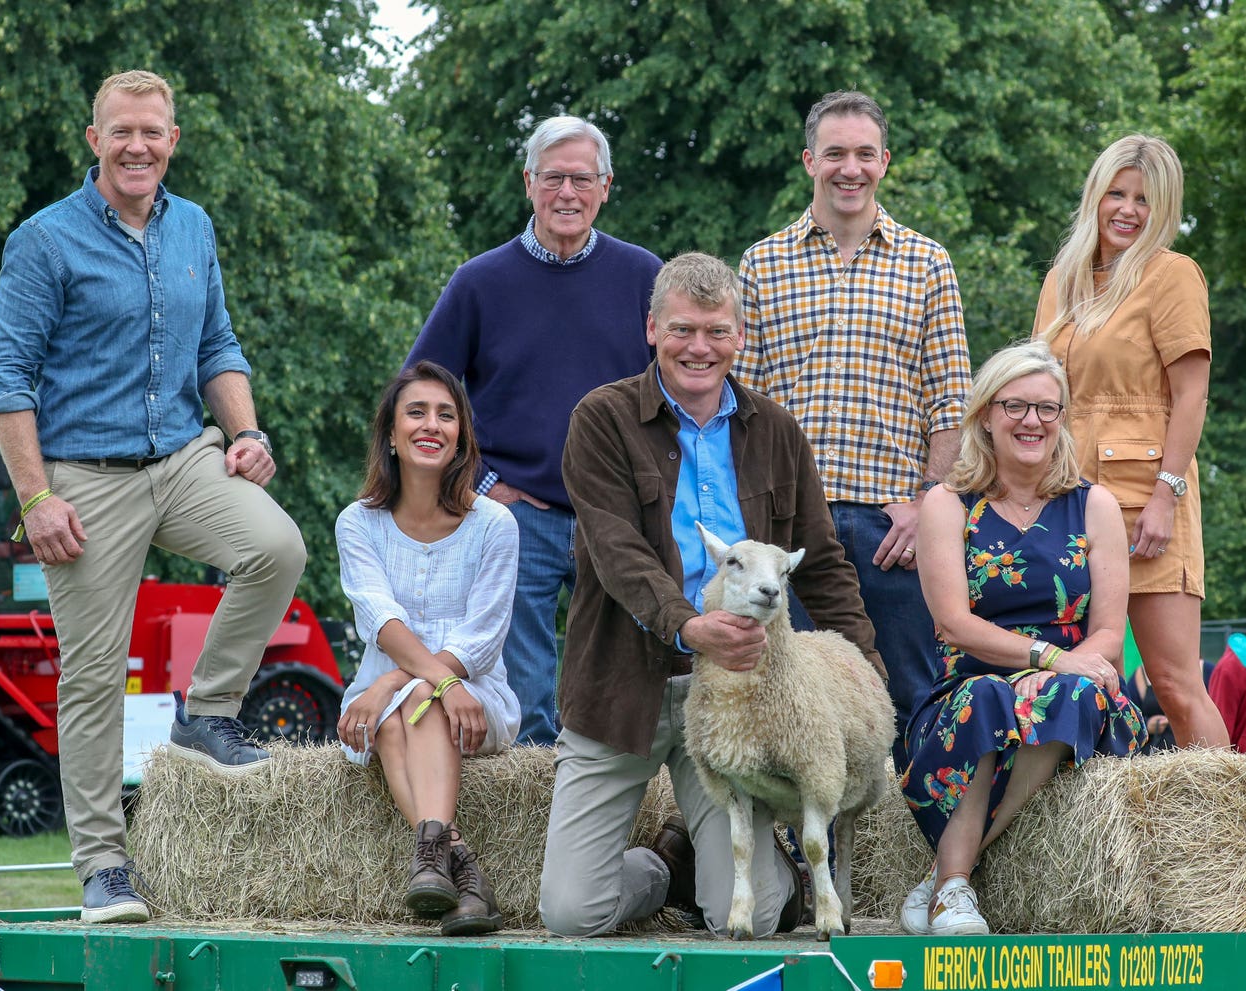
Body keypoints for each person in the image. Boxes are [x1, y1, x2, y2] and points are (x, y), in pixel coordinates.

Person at [0, 70, 306, 923]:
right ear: (94, 140)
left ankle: (208, 712)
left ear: (172, 140)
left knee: (277, 548)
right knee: (92, 676)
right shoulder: (44, 240)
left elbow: (219, 344)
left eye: (152, 132)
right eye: (121, 131)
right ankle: (102, 868)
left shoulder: (192, 225)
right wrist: (36, 495)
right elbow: (7, 377)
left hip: (183, 455)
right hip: (82, 475)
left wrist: (247, 432)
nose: (137, 146)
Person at [538, 252, 884, 937]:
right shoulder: (601, 419)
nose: (700, 347)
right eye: (683, 329)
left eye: (716, 330)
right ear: (651, 329)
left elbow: (821, 562)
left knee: (749, 919)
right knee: (573, 911)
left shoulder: (777, 431)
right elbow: (617, 553)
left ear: (740, 337)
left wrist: (867, 667)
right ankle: (670, 869)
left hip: (739, 698)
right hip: (621, 684)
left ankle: (754, 878)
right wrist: (688, 625)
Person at [404, 116, 662, 746]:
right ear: (529, 184)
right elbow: (420, 391)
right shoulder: (480, 281)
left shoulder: (644, 277)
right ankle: (535, 828)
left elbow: (678, 385)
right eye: (553, 178)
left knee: (627, 682)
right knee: (526, 697)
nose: (566, 193)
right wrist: (481, 482)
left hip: (621, 513)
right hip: (519, 515)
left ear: (605, 186)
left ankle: (623, 812)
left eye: (581, 178)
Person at [735, 90, 972, 766]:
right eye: (835, 153)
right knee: (793, 702)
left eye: (865, 154)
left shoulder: (927, 262)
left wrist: (930, 505)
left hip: (893, 531)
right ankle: (811, 868)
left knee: (910, 698)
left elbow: (950, 403)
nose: (850, 168)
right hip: (792, 531)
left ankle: (921, 858)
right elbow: (744, 410)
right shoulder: (762, 263)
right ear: (809, 160)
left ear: (885, 162)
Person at [898, 340, 1147, 936]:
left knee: (1077, 696)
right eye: (1015, 406)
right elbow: (952, 624)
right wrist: (1047, 657)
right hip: (972, 681)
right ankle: (955, 889)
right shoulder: (947, 506)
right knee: (987, 698)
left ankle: (948, 879)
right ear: (986, 414)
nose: (1032, 421)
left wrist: (1061, 669)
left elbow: (1110, 632)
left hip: (1072, 681)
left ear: (1062, 418)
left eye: (1047, 408)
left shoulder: (1096, 506)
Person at [1034, 134, 1228, 749]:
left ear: (1162, 209)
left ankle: (1224, 835)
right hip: (1064, 502)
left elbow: (1192, 397)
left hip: (1146, 502)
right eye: (1116, 192)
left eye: (1144, 199)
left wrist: (1167, 496)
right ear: (1095, 196)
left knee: (1173, 681)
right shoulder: (1063, 279)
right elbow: (1036, 388)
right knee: (1082, 678)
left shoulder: (1172, 276)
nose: (1127, 209)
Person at [335, 360, 520, 936]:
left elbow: (483, 635)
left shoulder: (495, 524)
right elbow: (379, 620)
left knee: (411, 703)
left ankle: (435, 863)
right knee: (395, 720)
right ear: (390, 433)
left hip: (475, 693)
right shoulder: (357, 524)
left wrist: (398, 682)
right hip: (399, 700)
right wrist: (410, 684)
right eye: (415, 412)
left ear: (461, 434)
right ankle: (460, 873)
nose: (431, 425)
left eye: (446, 414)